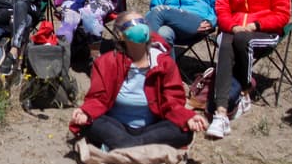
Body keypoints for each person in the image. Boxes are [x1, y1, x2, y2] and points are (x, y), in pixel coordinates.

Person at [69, 13, 208, 150]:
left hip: (152, 128)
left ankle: (125, 146)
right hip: (116, 125)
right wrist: (86, 112)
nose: (140, 27)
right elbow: (98, 98)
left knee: (184, 132)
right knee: (90, 123)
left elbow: (173, 102)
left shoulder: (164, 63)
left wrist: (187, 117)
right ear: (120, 35)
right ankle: (140, 148)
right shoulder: (106, 62)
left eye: (142, 22)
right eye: (133, 24)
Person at [208, 0, 291, 140]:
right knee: (226, 42)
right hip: (236, 31)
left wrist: (255, 25)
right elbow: (222, 10)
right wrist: (233, 26)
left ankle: (244, 90)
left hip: (265, 31)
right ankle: (220, 114)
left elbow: (282, 14)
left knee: (240, 39)